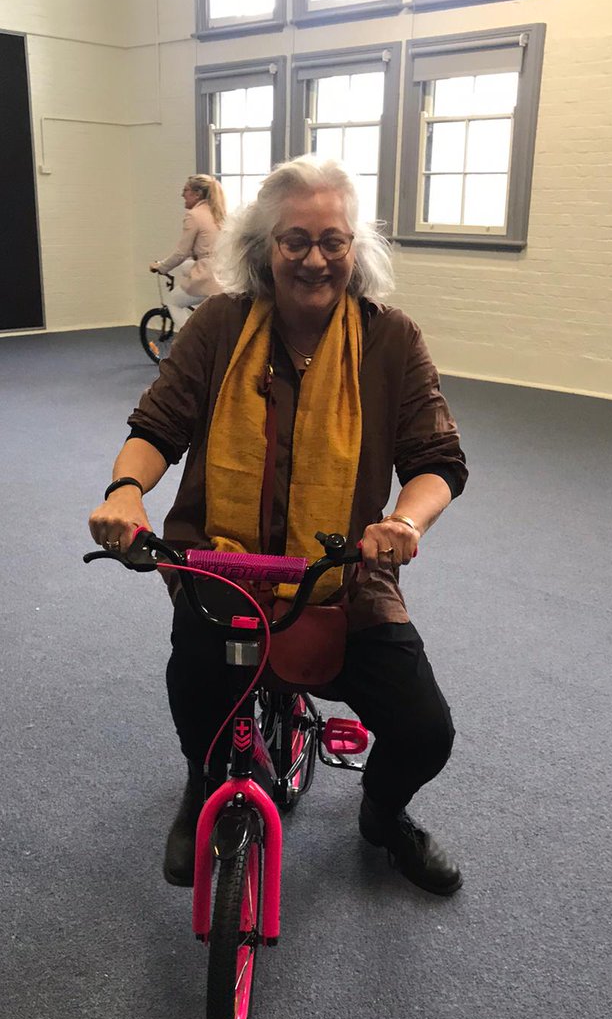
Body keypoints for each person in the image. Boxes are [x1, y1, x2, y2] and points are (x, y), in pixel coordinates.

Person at [90, 155, 468, 896]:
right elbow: (158, 427)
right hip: (222, 567)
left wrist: (403, 520)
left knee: (425, 732)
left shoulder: (390, 339)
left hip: (344, 577)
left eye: (334, 240)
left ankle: (382, 816)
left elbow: (438, 461)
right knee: (198, 686)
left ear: (356, 248)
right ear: (265, 247)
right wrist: (126, 491)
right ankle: (203, 784)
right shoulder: (222, 326)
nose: (316, 258)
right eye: (296, 239)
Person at [149, 174, 226, 330]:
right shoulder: (218, 213)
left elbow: (181, 253)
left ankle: (189, 341)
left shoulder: (194, 215)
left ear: (197, 194)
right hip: (222, 271)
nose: (182, 194)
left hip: (208, 273)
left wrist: (161, 267)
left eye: (186, 190)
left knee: (173, 301)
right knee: (186, 267)